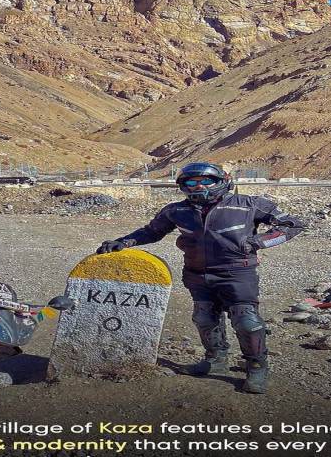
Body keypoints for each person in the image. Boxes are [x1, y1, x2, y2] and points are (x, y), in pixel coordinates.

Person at [96, 162, 306, 393]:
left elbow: (293, 225)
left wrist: (258, 242)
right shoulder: (176, 211)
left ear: (222, 181)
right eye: (191, 182)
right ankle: (216, 360)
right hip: (197, 274)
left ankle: (257, 367)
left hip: (237, 273)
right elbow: (151, 231)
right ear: (182, 186)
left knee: (246, 321)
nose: (198, 186)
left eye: (206, 181)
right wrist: (124, 241)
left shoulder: (248, 204)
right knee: (204, 318)